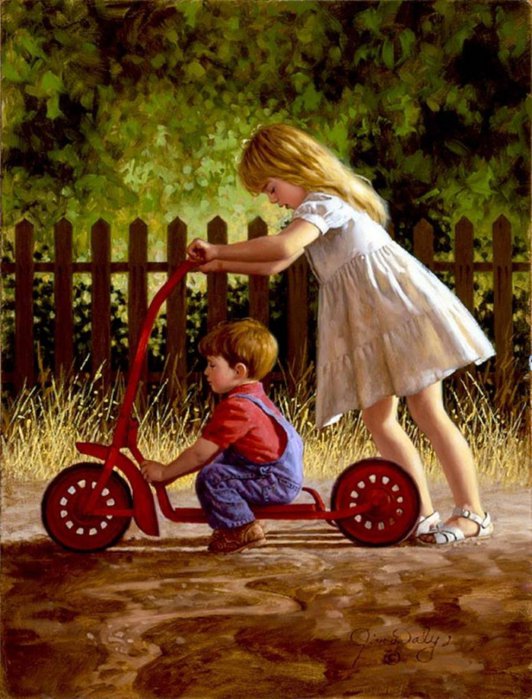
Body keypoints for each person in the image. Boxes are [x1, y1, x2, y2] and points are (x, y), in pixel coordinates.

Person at [186, 123, 495, 546]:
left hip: (400, 313)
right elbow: (276, 263)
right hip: (372, 323)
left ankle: (473, 512)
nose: (271, 199)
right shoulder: (310, 213)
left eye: (272, 188)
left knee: (427, 410)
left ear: (292, 167)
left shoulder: (325, 203)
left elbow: (281, 248)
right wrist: (219, 265)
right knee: (379, 419)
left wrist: (219, 250)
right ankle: (419, 512)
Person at [141, 318, 304, 554]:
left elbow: (200, 454)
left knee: (212, 478)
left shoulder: (238, 408)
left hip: (274, 482)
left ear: (239, 371)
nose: (206, 372)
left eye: (212, 365)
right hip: (277, 474)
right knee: (218, 464)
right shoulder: (254, 397)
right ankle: (239, 519)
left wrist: (165, 473)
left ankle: (241, 529)